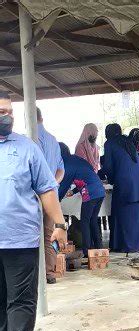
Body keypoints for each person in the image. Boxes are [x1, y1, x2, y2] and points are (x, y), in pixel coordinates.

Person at [0, 91, 67, 331]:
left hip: (19, 237)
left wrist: (60, 224)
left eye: (9, 112)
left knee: (21, 295)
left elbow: (47, 190)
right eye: (1, 111)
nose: (7, 117)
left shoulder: (27, 148)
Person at [102, 124, 139, 253]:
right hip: (138, 181)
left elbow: (109, 166)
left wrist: (108, 179)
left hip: (124, 181)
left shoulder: (109, 143)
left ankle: (123, 245)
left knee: (122, 214)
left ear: (108, 133)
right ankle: (137, 244)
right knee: (136, 214)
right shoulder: (127, 141)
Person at [58, 143, 105, 258]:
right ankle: (99, 249)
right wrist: (73, 192)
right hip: (100, 191)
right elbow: (86, 175)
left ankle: (87, 252)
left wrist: (55, 200)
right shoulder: (76, 159)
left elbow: (64, 185)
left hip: (90, 193)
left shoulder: (66, 164)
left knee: (84, 222)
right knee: (93, 220)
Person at [37, 107, 65, 285]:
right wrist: (52, 185)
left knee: (32, 236)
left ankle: (36, 275)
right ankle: (50, 273)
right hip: (51, 197)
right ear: (42, 117)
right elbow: (61, 169)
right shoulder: (54, 141)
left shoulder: (29, 138)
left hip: (34, 197)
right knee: (49, 235)